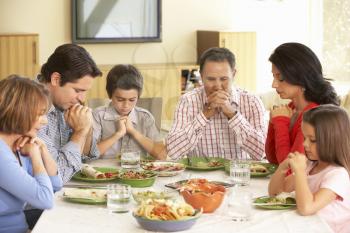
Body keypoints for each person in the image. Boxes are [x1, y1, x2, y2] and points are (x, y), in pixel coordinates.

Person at [167, 47, 266, 160]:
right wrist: (204, 116)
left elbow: (262, 152)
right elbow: (173, 151)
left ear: (233, 74)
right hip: (200, 176)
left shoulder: (252, 102)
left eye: (224, 79)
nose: (218, 86)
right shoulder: (187, 101)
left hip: (240, 175)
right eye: (211, 79)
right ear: (201, 76)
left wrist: (233, 115)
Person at [268, 105, 350, 233]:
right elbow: (276, 192)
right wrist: (283, 167)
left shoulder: (338, 174)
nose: (304, 144)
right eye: (305, 138)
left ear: (333, 141)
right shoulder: (311, 166)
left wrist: (300, 172)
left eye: (312, 140)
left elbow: (307, 208)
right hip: (306, 226)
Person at [0, 75, 62, 233]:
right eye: (40, 114)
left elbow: (56, 186)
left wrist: (43, 150)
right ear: (19, 111)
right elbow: (45, 199)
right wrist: (35, 155)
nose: (45, 121)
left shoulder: (18, 146)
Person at [37, 43, 102, 183]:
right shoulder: (29, 107)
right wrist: (80, 132)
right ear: (56, 79)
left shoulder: (64, 102)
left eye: (85, 91)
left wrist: (86, 127)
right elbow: (59, 175)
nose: (82, 98)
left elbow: (85, 157)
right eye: (78, 90)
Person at [266, 42, 339, 164]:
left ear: (300, 77)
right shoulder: (290, 108)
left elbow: (291, 168)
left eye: (281, 78)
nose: (274, 84)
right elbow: (273, 160)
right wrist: (273, 123)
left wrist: (280, 123)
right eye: (273, 77)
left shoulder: (313, 115)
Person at [93, 64, 166, 160]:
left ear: (138, 97)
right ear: (110, 95)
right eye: (120, 99)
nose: (126, 106)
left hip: (138, 173)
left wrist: (133, 132)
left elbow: (162, 155)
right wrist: (118, 134)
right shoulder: (98, 116)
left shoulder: (145, 117)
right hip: (104, 172)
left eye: (132, 100)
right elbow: (90, 154)